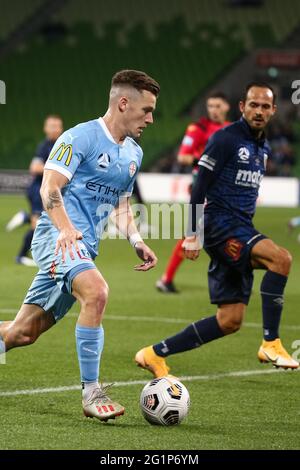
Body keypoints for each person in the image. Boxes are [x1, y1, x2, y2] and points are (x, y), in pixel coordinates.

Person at [0, 70, 159, 421]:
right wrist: (67, 229)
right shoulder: (80, 137)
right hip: (55, 238)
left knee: (23, 333)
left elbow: (119, 203)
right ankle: (92, 392)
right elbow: (49, 188)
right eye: (145, 110)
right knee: (97, 292)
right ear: (123, 103)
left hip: (82, 249)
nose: (150, 119)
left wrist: (136, 239)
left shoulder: (132, 152)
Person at [136, 82, 299, 377]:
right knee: (281, 259)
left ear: (274, 111)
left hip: (240, 227)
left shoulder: (262, 146)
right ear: (242, 107)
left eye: (265, 106)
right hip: (220, 225)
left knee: (229, 320)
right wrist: (192, 234)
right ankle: (271, 342)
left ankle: (153, 354)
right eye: (253, 104)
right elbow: (199, 187)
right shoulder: (225, 138)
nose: (259, 111)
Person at [156, 92, 230, 293]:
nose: (214, 110)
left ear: (227, 107)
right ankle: (166, 278)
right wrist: (204, 161)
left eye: (218, 106)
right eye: (211, 106)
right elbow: (183, 157)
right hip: (204, 187)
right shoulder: (199, 129)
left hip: (226, 189)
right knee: (195, 232)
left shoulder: (231, 130)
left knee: (219, 230)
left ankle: (168, 279)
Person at [6, 115, 64, 267]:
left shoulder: (61, 145)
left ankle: (25, 217)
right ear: (45, 128)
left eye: (57, 126)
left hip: (49, 190)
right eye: (51, 126)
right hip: (39, 190)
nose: (54, 129)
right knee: (38, 225)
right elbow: (34, 168)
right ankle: (21, 256)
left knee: (48, 222)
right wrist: (57, 168)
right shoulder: (44, 146)